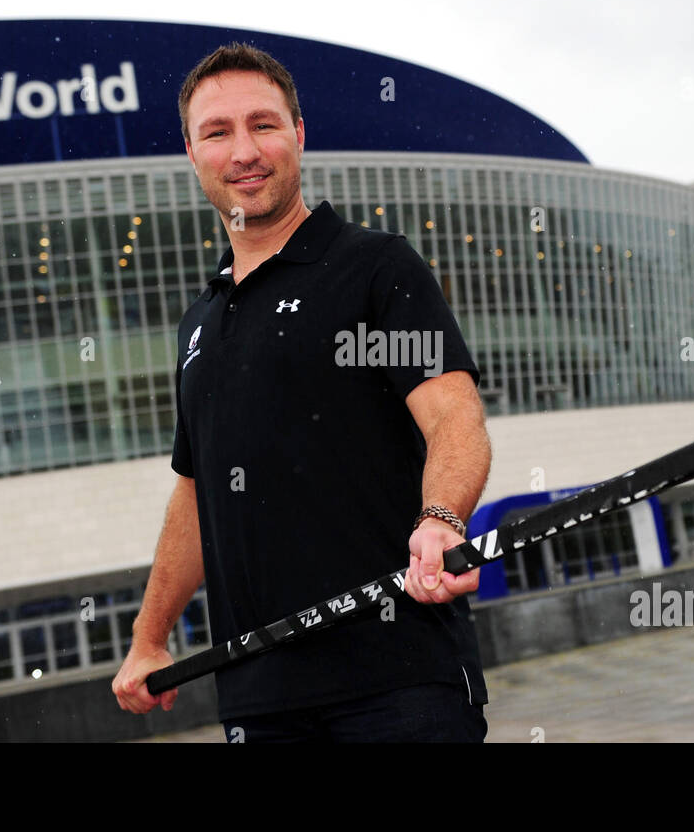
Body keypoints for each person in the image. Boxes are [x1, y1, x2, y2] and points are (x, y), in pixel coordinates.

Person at [111, 42, 491, 742]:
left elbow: (453, 412)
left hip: (398, 676)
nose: (244, 150)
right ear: (192, 155)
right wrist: (149, 635)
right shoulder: (201, 323)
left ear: (299, 135)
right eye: (217, 132)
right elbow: (196, 495)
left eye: (264, 124)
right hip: (259, 698)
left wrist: (440, 517)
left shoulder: (375, 266)